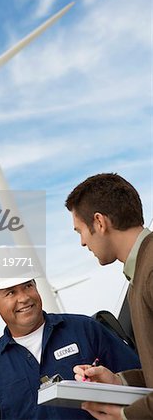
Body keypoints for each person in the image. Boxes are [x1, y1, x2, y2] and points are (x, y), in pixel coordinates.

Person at [0, 247, 140, 420]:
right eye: (11, 292)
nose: (24, 297)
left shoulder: (86, 330)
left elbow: (140, 381)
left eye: (28, 286)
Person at [65, 172, 153, 420]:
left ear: (99, 222)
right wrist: (118, 380)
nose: (82, 242)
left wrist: (125, 416)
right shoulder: (140, 275)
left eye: (79, 231)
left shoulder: (150, 271)